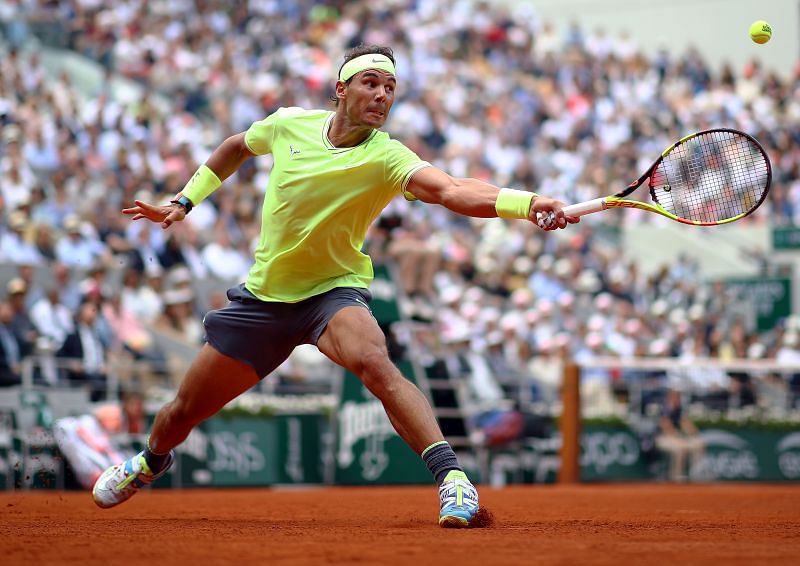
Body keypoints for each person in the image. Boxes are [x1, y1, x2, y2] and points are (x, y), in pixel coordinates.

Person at [92, 44, 577, 527]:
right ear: (340, 89)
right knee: (180, 413)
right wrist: (185, 200)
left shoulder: (387, 155)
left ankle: (453, 480)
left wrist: (526, 202)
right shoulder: (288, 124)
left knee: (374, 361)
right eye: (371, 83)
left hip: (332, 294)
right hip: (264, 300)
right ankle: (150, 462)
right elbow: (236, 147)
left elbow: (452, 189)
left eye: (390, 88)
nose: (383, 94)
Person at [655, 388, 705, 482]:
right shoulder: (664, 408)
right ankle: (676, 476)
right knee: (681, 448)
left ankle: (696, 473)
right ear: (669, 397)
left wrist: (694, 434)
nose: (677, 399)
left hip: (677, 438)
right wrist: (679, 437)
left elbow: (686, 425)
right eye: (675, 397)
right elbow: (666, 427)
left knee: (699, 444)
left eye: (678, 397)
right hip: (662, 439)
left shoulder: (679, 409)